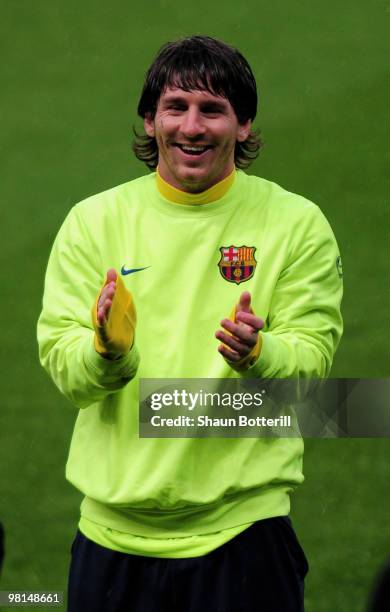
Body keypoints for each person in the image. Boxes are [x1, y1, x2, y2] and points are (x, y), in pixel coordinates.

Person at [37, 35, 343, 611]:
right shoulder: (93, 222)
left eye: (213, 109)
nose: (192, 127)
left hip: (244, 536)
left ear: (244, 125)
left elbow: (310, 375)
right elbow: (66, 372)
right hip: (110, 542)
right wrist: (107, 353)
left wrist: (260, 355)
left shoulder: (297, 225)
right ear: (150, 121)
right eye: (176, 107)